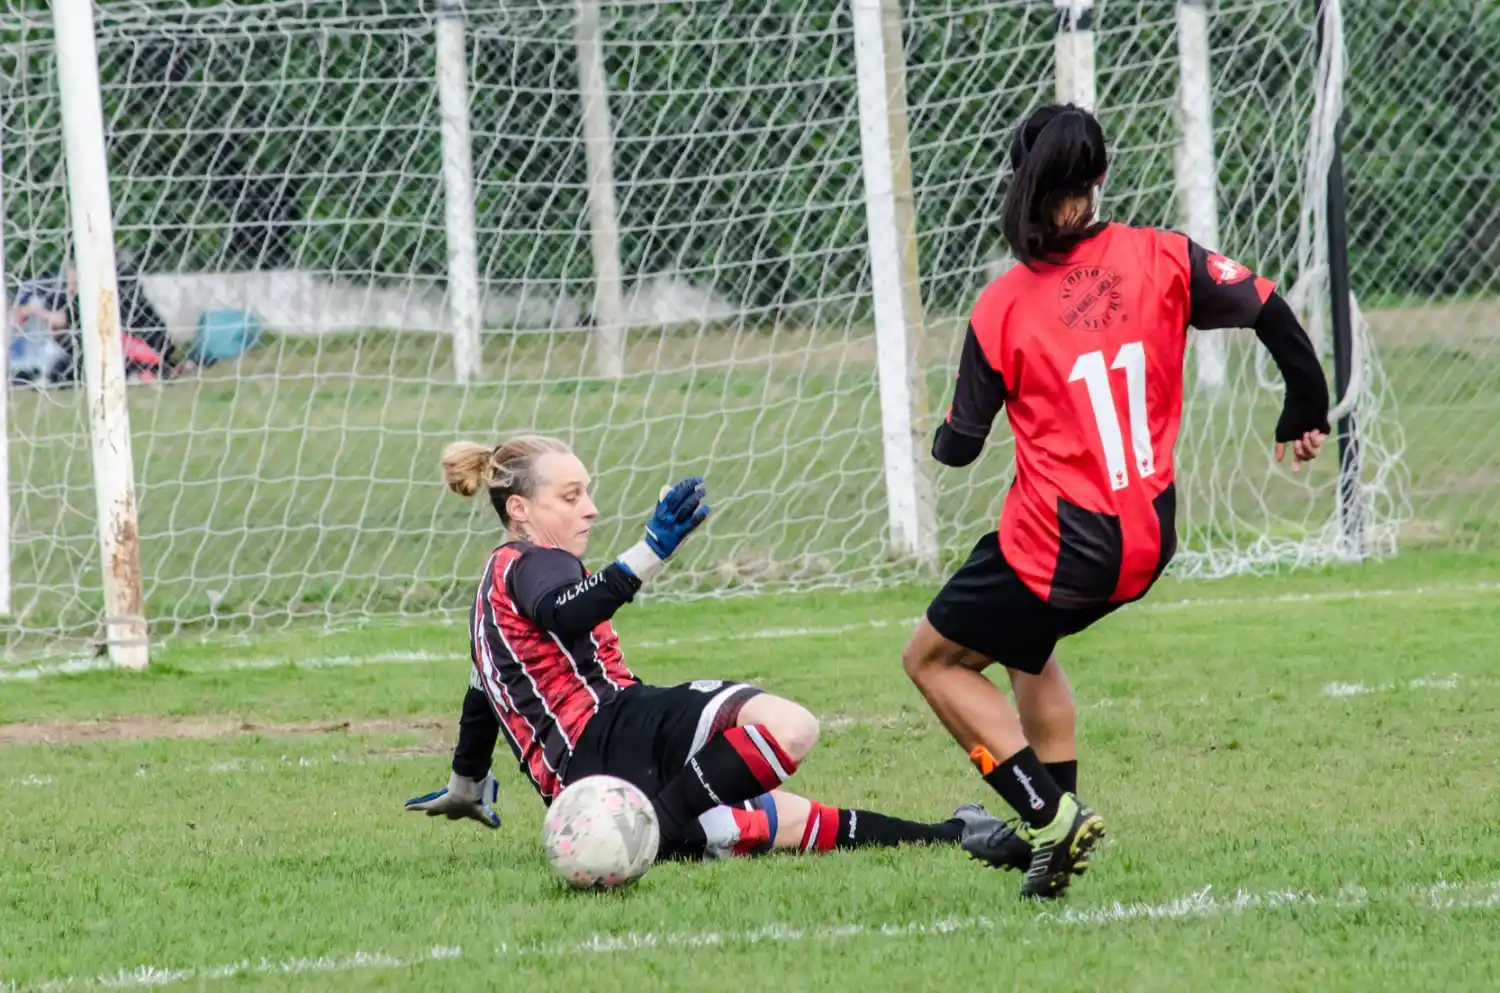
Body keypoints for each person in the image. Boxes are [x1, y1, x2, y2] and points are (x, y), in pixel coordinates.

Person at [902, 103, 1332, 900]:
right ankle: (1048, 841)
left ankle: (1045, 813)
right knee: (1029, 647)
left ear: (1019, 181)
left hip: (1058, 542)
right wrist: (1305, 405)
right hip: (1148, 536)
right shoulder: (1160, 256)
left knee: (931, 659)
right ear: (1099, 179)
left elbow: (960, 447)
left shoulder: (1000, 307)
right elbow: (1268, 307)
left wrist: (938, 436)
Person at [404, 435, 1006, 860]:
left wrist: (465, 786)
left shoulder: (493, 594)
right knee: (789, 727)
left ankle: (952, 835)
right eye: (570, 496)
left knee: (786, 821)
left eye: (586, 491)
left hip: (590, 790)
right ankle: (657, 832)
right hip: (610, 735)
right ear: (519, 508)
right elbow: (570, 612)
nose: (589, 507)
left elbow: (483, 693)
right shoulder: (530, 562)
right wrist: (652, 551)